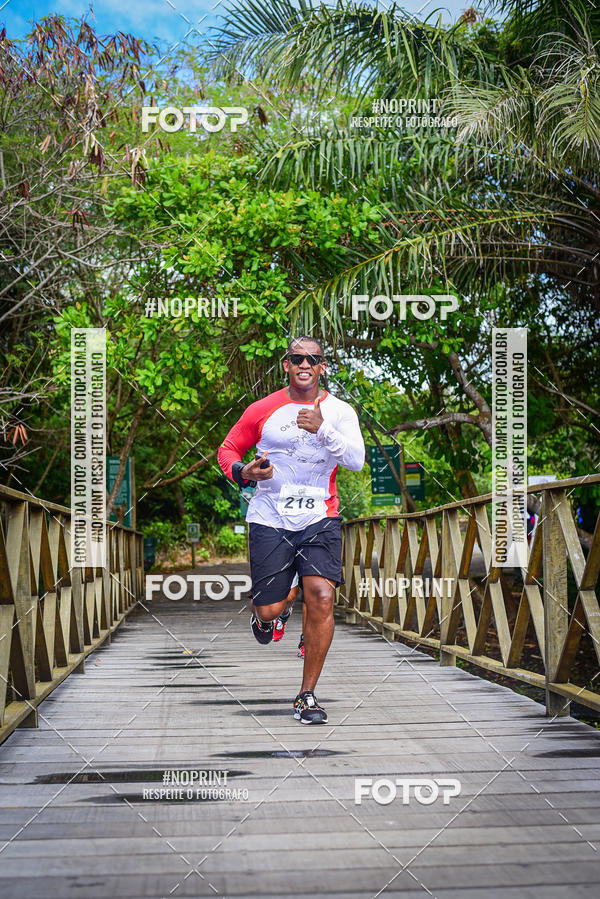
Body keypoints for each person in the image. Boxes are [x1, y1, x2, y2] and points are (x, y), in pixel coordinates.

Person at [218, 337, 365, 723]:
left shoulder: (340, 412)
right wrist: (243, 472)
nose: (304, 364)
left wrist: (323, 430)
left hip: (320, 516)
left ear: (322, 367)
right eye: (297, 358)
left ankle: (306, 696)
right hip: (270, 516)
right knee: (268, 606)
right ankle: (275, 613)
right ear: (286, 364)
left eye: (312, 359)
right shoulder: (263, 409)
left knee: (322, 596)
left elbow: (356, 460)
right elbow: (228, 448)